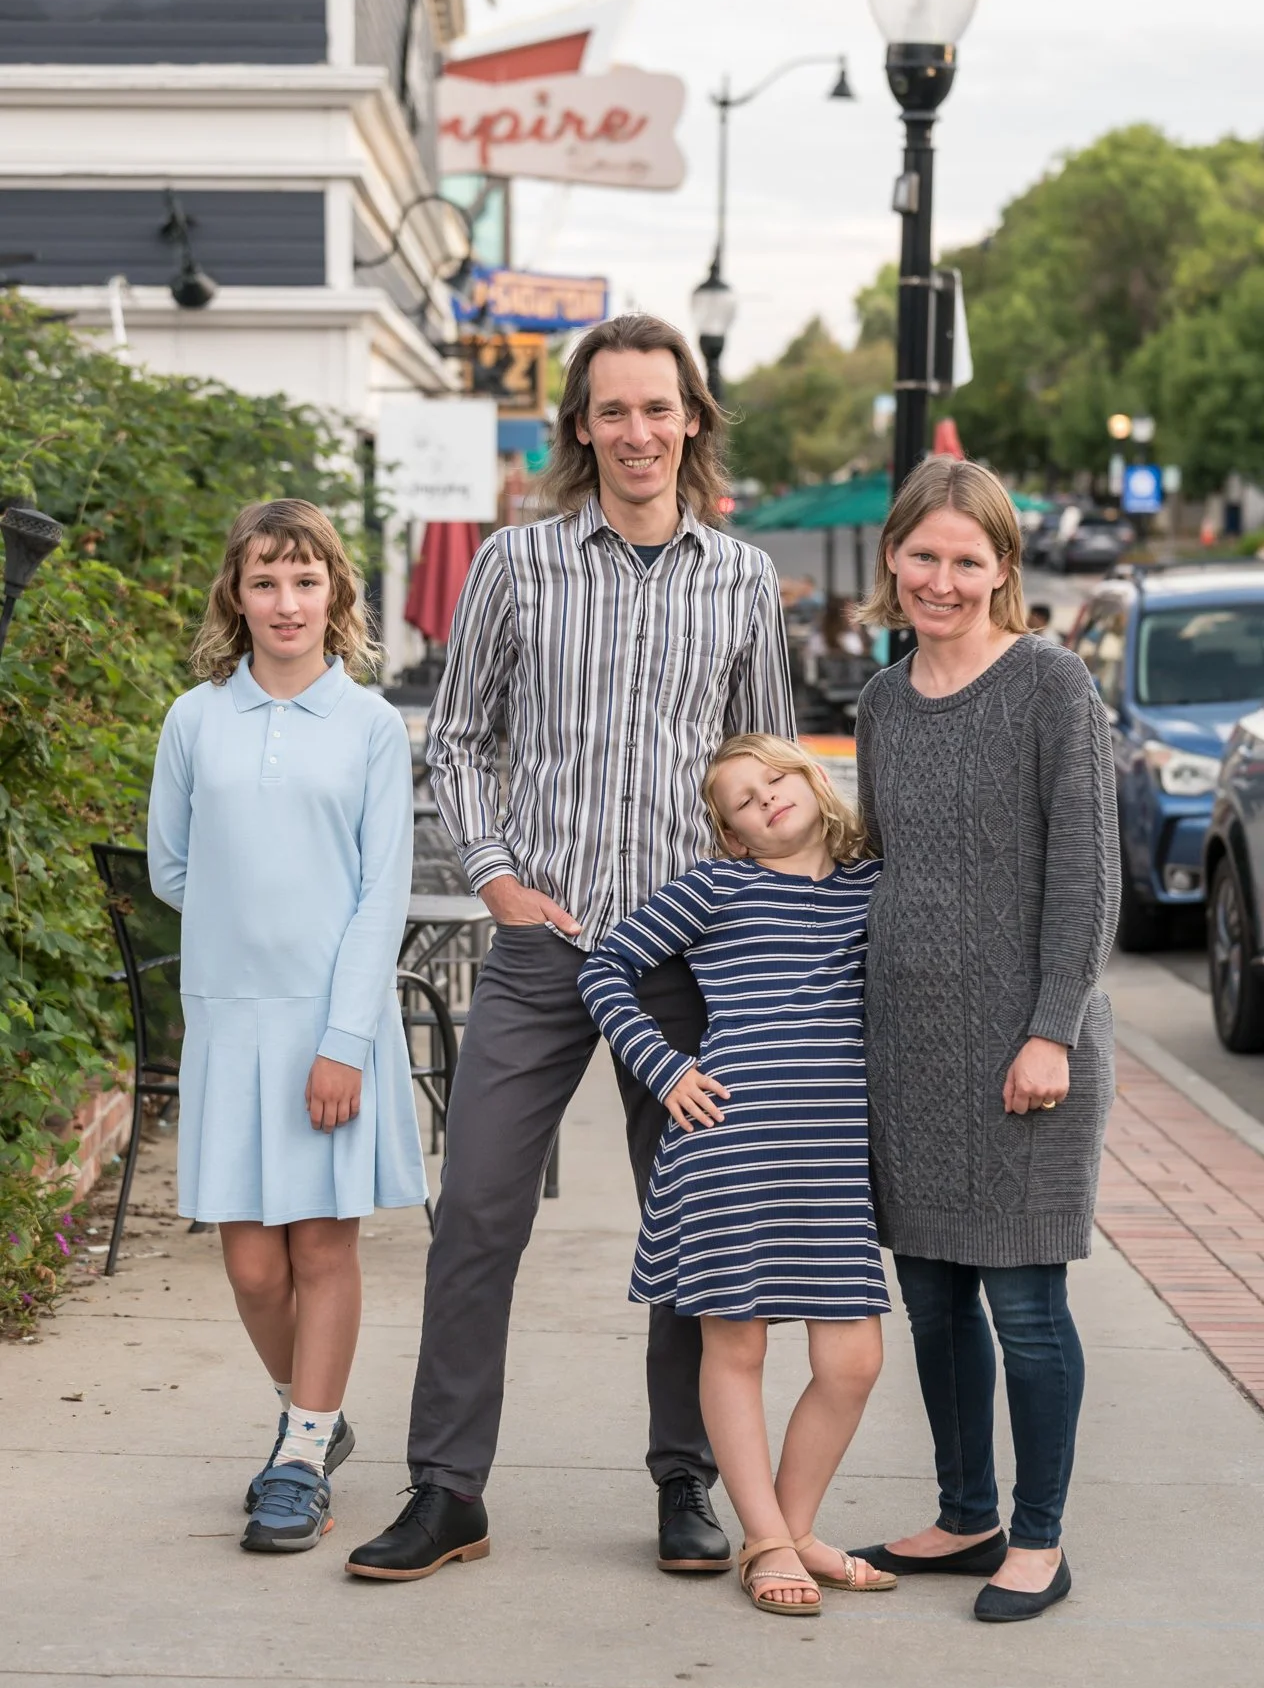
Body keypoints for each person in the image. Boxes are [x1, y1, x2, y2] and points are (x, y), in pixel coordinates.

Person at [346, 315, 795, 1585]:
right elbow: (459, 738)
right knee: (477, 1210)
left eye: (659, 409)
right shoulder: (517, 565)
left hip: (685, 956)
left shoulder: (742, 580)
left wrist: (757, 916)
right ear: (580, 429)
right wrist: (492, 874)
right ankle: (448, 1490)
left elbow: (763, 774)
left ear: (692, 420)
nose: (638, 433)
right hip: (547, 944)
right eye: (613, 412)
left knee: (691, 1222)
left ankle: (683, 1482)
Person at [850, 457, 1119, 1622]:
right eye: (924, 555)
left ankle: (1040, 1538)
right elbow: (880, 873)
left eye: (967, 560)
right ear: (893, 560)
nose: (942, 579)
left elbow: (1085, 874)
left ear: (1003, 569)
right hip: (904, 1049)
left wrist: (1049, 1029)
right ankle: (966, 1514)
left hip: (1024, 1051)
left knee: (1022, 1305)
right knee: (933, 1302)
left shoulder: (1051, 687)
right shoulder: (879, 701)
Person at [148, 499, 426, 1554]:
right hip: (229, 1021)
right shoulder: (193, 720)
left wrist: (343, 1039)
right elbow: (172, 864)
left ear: (336, 595)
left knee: (320, 1247)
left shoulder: (367, 728)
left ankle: (299, 1457)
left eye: (305, 580)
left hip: (329, 1024)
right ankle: (315, 1413)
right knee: (252, 1265)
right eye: (265, 580)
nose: (286, 601)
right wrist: (243, 938)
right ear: (236, 594)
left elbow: (379, 892)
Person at [577, 735, 893, 1617]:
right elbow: (606, 970)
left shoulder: (874, 888)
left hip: (832, 1161)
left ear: (814, 781)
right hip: (731, 1146)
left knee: (853, 1359)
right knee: (738, 1345)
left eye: (777, 778)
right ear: (733, 835)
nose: (767, 801)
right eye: (743, 801)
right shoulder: (717, 889)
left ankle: (787, 1531)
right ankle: (767, 1540)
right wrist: (666, 1069)